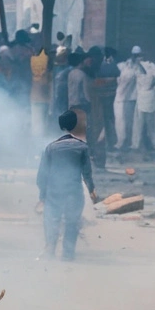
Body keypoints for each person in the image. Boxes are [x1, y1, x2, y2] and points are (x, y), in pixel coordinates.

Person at [37, 110, 98, 261]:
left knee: (52, 220)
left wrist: (42, 195)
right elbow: (87, 173)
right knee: (72, 221)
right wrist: (91, 190)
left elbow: (42, 175)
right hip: (73, 191)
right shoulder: (82, 147)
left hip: (54, 191)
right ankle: (68, 254)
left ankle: (50, 250)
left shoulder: (50, 148)